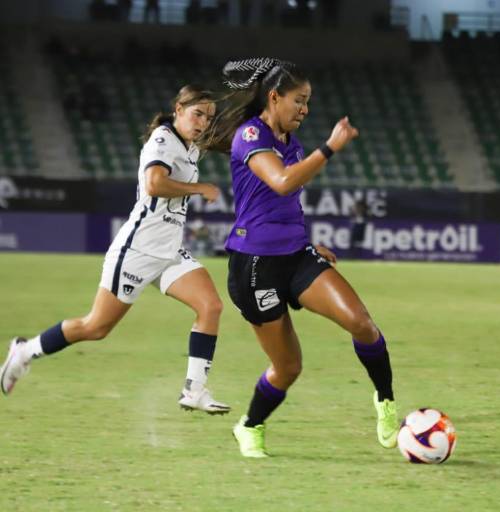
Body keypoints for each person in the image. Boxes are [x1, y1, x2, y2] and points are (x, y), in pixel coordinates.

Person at [201, 58, 399, 458]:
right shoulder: (250, 133)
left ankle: (386, 402)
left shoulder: (292, 143)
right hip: (254, 267)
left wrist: (307, 242)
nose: (305, 109)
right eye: (299, 100)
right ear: (274, 97)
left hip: (296, 255)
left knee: (363, 324)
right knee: (289, 368)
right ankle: (250, 426)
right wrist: (331, 147)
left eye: (308, 101)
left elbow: (288, 203)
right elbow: (282, 182)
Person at [1, 85, 231, 415]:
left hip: (168, 251)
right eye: (197, 114)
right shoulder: (163, 141)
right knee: (95, 327)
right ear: (178, 109)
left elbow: (221, 142)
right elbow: (154, 184)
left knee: (210, 306)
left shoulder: (190, 144)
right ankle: (25, 352)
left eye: (208, 118)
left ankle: (194, 390)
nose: (203, 123)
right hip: (137, 250)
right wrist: (199, 188)